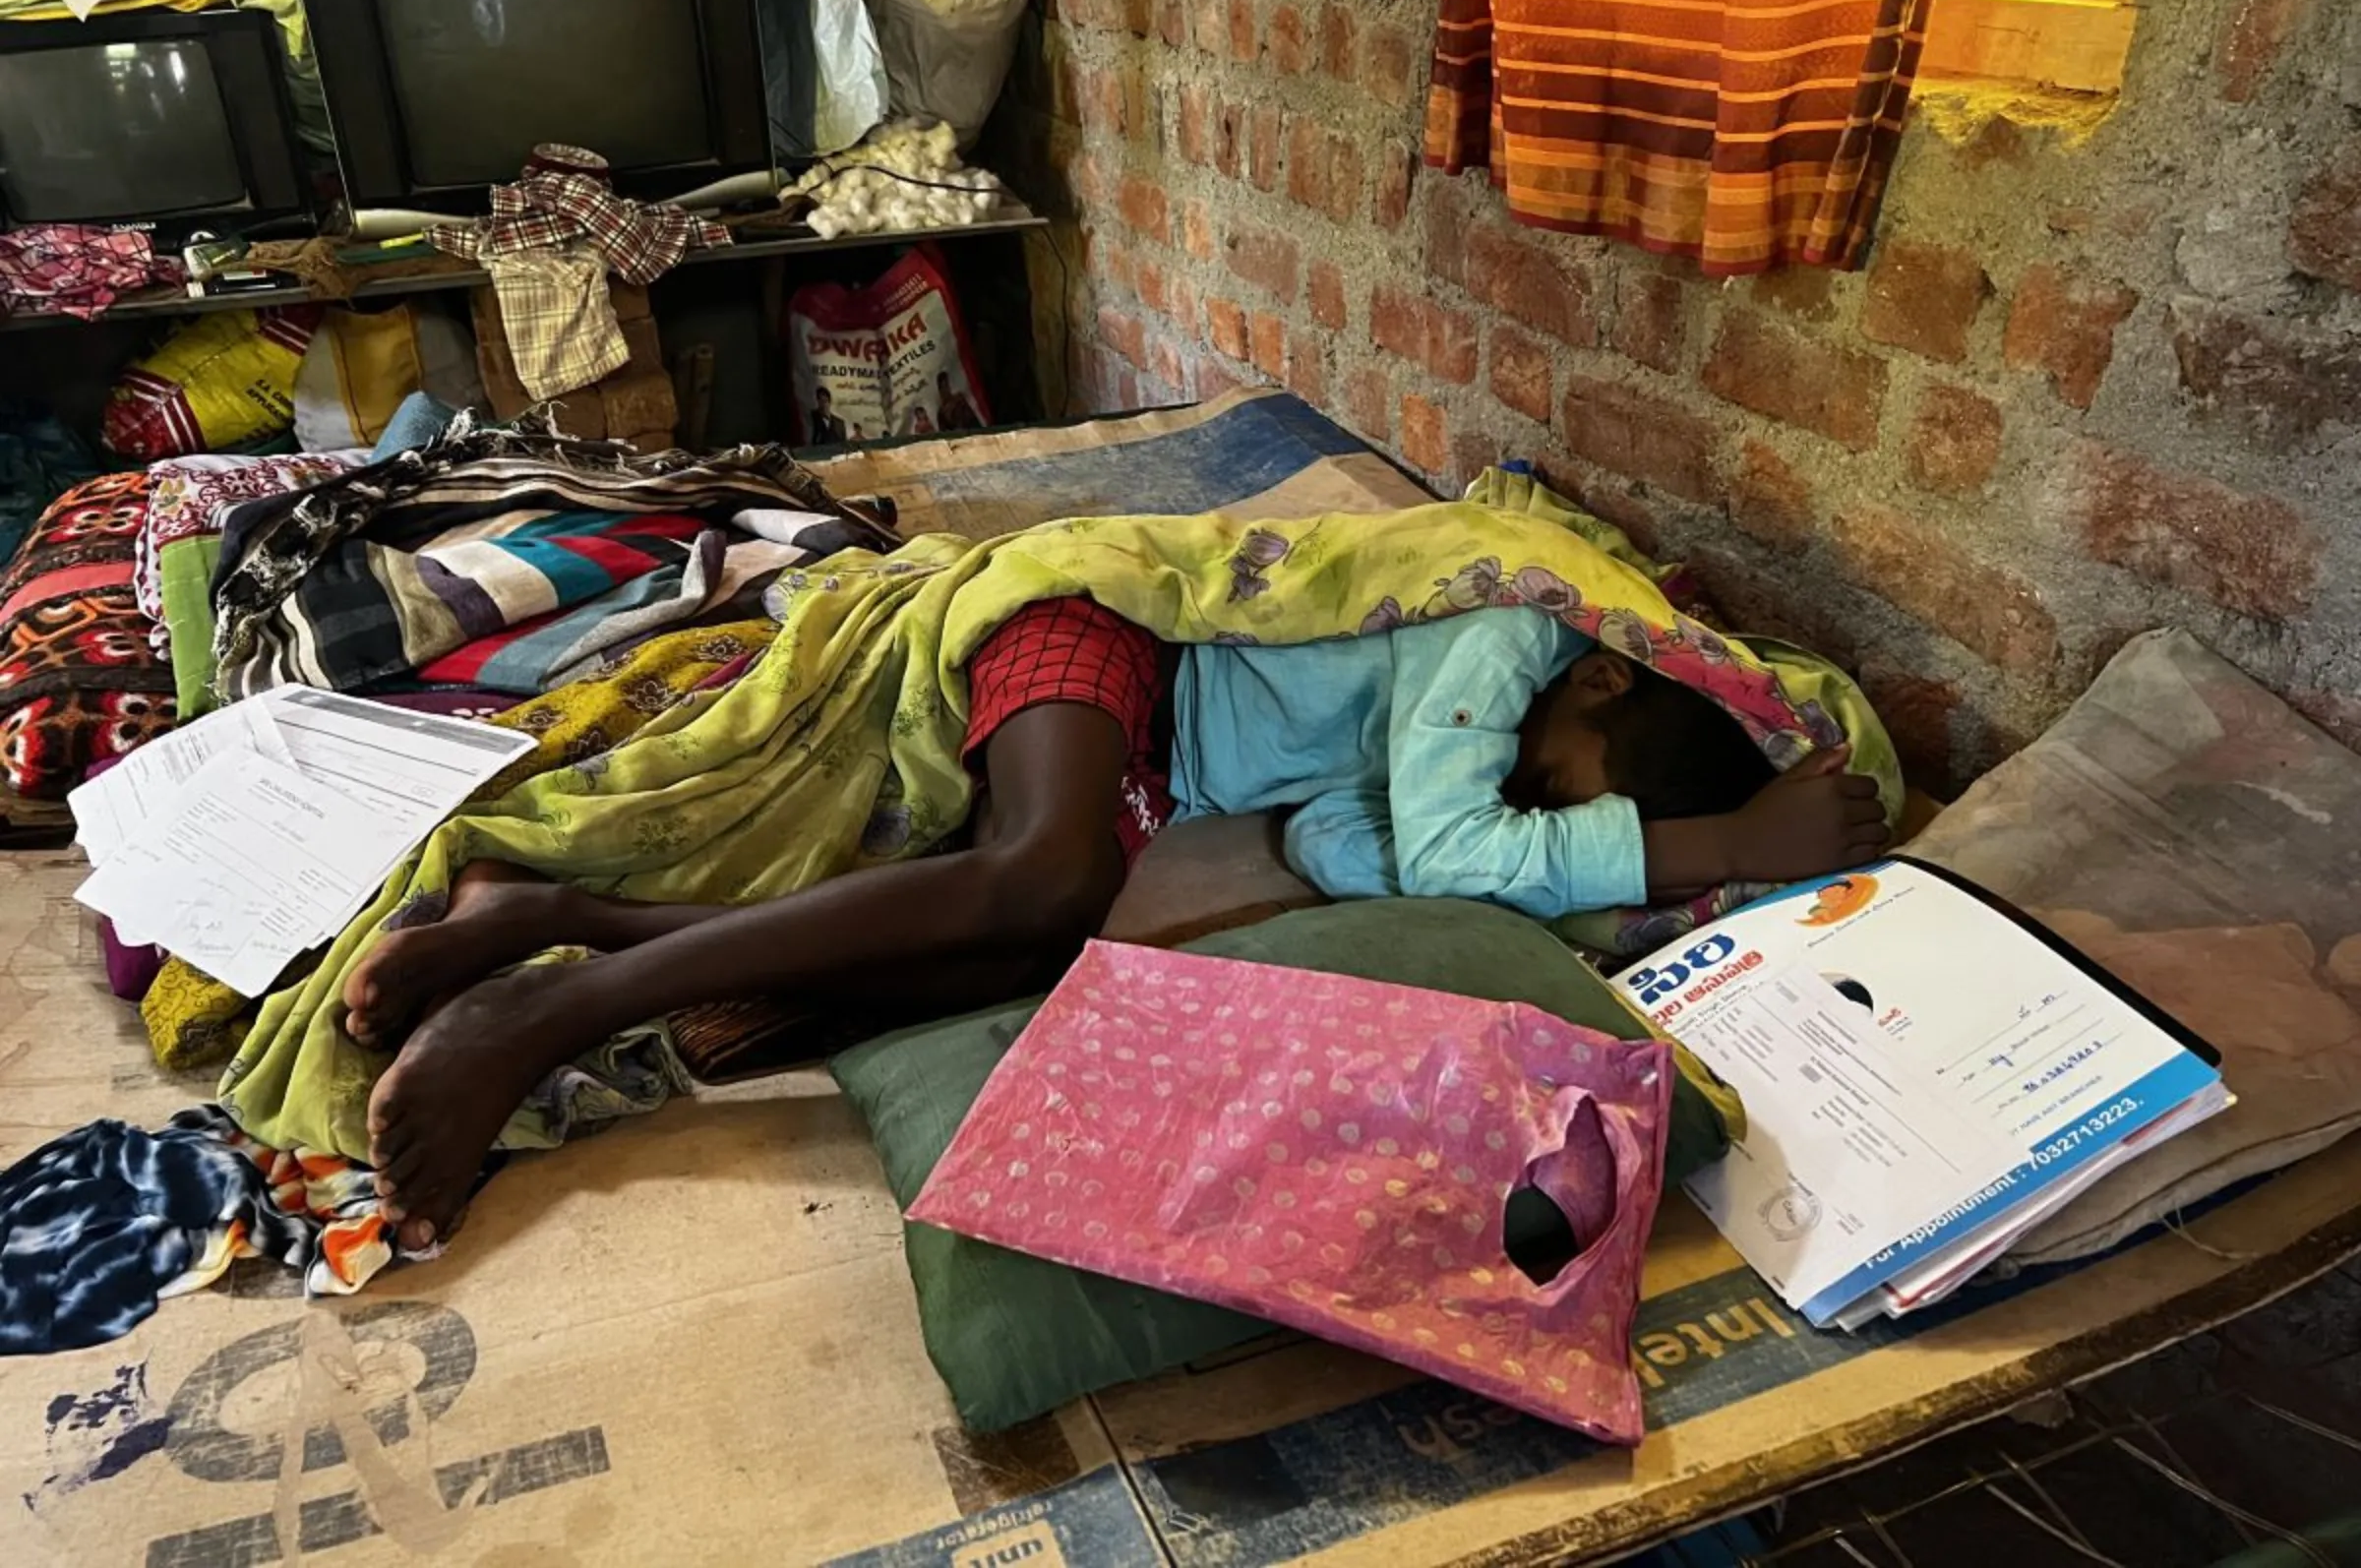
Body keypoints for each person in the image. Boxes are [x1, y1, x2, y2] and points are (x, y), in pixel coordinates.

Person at [347, 600, 1890, 1250]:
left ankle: (558, 921)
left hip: (1148, 749)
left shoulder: (1474, 729)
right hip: (1096, 642)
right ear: (1599, 687)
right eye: (1557, 795)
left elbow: (1376, 848)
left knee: (1013, 949)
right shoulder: (1505, 637)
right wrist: (1719, 843)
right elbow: (1455, 837)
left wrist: (1515, 858)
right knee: (1041, 881)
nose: (1531, 824)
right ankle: (542, 1014)